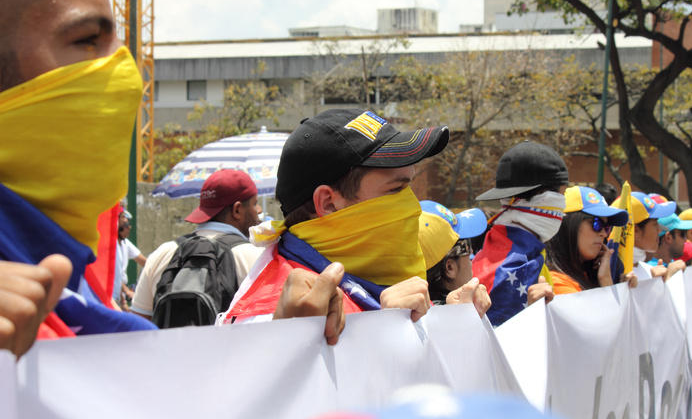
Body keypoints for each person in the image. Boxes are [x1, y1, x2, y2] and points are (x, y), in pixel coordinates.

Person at [0, 0, 157, 355]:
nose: (126, 72)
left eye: (119, 46)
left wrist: (285, 343)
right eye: (88, 40)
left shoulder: (74, 272)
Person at [220, 109, 458, 341]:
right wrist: (380, 335)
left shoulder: (362, 278)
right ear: (328, 202)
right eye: (396, 189)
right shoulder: (278, 316)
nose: (413, 205)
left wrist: (459, 325)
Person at [130, 169, 264, 321]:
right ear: (237, 210)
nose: (259, 210)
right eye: (255, 203)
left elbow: (139, 326)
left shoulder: (161, 254)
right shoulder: (257, 258)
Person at [472, 141, 570, 326]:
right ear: (542, 197)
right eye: (561, 194)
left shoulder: (512, 248)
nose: (563, 204)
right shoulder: (510, 268)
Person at [545, 186, 635, 295]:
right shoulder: (557, 282)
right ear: (569, 225)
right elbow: (610, 312)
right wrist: (606, 283)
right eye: (597, 224)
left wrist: (625, 290)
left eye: (607, 227)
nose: (604, 234)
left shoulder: (588, 275)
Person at [418, 200, 488, 312]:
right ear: (450, 268)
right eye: (467, 246)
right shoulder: (463, 318)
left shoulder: (411, 317)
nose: (472, 253)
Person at [611, 191, 675, 280]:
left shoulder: (650, 272)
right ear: (636, 231)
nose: (659, 230)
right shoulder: (612, 276)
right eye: (655, 224)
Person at [113, 208, 146, 310]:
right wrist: (126, 294)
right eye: (126, 224)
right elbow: (115, 275)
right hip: (112, 298)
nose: (129, 226)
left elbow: (145, 262)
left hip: (118, 296)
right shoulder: (112, 244)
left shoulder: (125, 243)